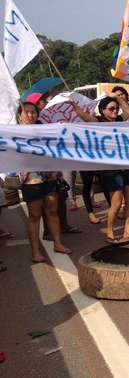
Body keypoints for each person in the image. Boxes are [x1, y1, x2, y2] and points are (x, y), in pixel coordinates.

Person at [74, 94, 129, 243]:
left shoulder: (119, 120)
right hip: (110, 169)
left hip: (126, 165)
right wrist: (74, 106)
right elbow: (86, 118)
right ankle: (110, 233)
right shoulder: (98, 121)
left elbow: (128, 111)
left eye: (116, 108)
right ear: (102, 110)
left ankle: (128, 230)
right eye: (111, 108)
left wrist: (116, 98)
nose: (115, 111)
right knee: (117, 203)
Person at [18, 102, 72, 263]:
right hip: (30, 179)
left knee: (52, 211)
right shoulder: (14, 132)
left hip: (50, 176)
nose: (31, 115)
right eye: (27, 112)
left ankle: (58, 244)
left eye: (34, 112)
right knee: (34, 215)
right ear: (19, 116)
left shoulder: (46, 129)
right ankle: (35, 250)